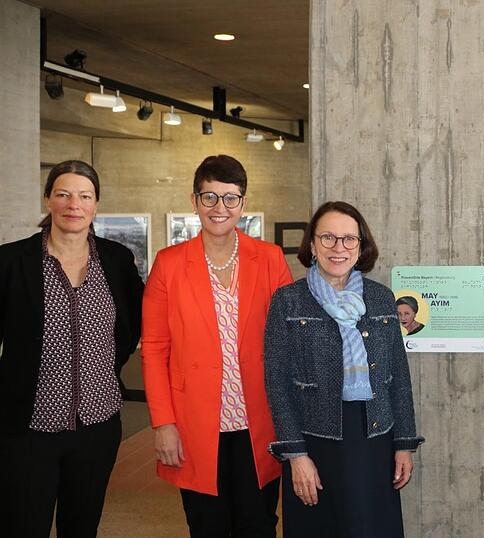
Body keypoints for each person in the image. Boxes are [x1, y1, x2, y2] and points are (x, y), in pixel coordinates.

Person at [142, 155, 292, 537]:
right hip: (194, 424)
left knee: (257, 524)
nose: (219, 208)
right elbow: (156, 349)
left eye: (230, 198)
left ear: (242, 203)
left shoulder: (270, 259)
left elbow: (287, 341)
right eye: (209, 197)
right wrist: (163, 423)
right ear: (194, 201)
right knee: (207, 526)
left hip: (258, 421)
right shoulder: (170, 264)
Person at [0, 160, 143, 537]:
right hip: (29, 428)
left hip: (98, 426)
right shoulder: (10, 262)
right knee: (22, 526)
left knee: (82, 528)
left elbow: (129, 327)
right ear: (48, 199)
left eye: (84, 196)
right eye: (62, 194)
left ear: (96, 205)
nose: (73, 204)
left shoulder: (116, 260)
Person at [264, 201, 424, 538]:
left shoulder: (381, 299)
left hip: (375, 437)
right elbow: (277, 383)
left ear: (362, 246)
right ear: (311, 244)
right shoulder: (287, 301)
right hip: (316, 441)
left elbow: (399, 377)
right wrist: (296, 455)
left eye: (349, 239)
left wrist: (404, 443)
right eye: (328, 238)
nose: (339, 248)